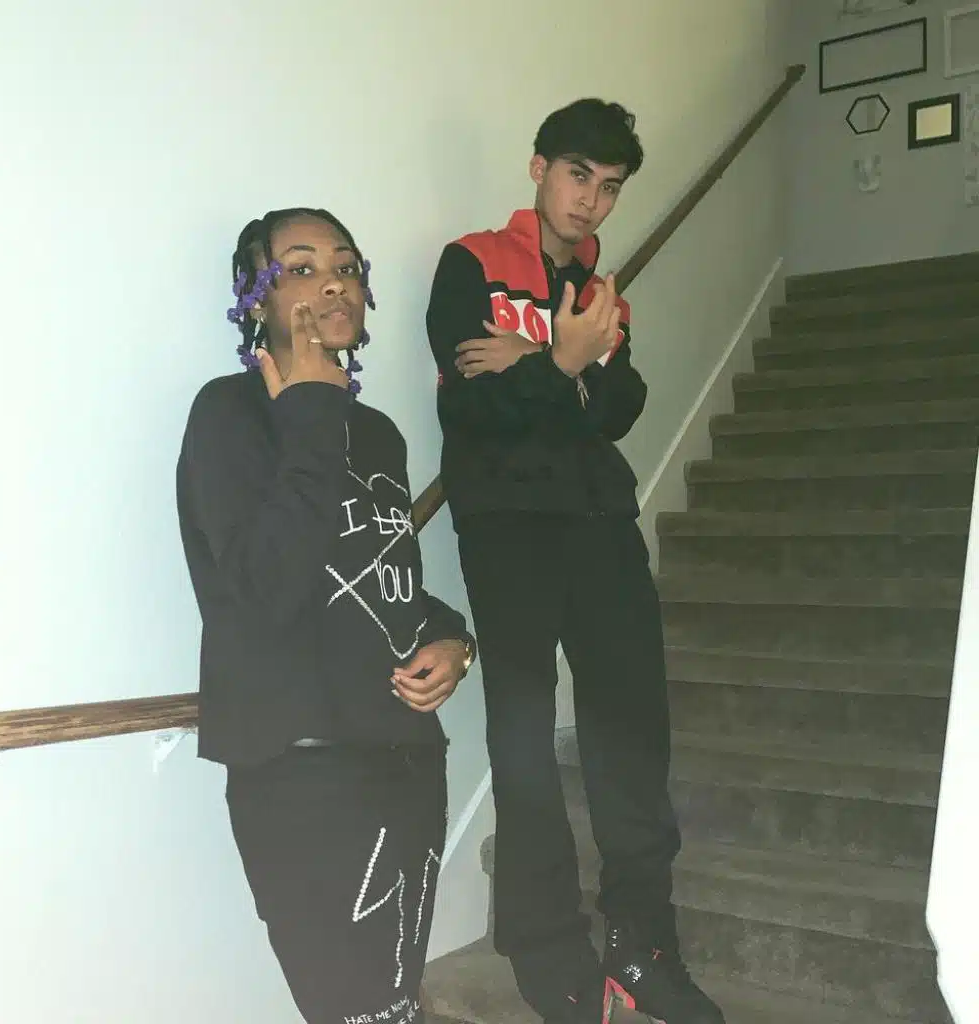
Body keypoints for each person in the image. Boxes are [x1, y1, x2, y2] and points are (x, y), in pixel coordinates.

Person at [425, 101, 725, 1024]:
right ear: (539, 169)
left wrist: (541, 362)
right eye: (577, 175)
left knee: (632, 730)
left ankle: (643, 943)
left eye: (610, 187)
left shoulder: (605, 298)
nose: (591, 200)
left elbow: (621, 410)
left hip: (599, 519)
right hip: (506, 522)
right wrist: (563, 365)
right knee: (522, 738)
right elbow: (468, 407)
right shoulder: (472, 262)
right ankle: (545, 942)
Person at [177, 207, 476, 1024]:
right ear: (255, 300)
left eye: (345, 265)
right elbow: (265, 587)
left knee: (395, 1004)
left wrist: (453, 637)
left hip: (407, 755)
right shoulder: (228, 415)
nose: (334, 283)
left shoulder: (376, 434)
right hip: (300, 765)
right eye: (301, 268)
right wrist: (310, 412)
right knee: (350, 1009)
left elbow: (384, 581)